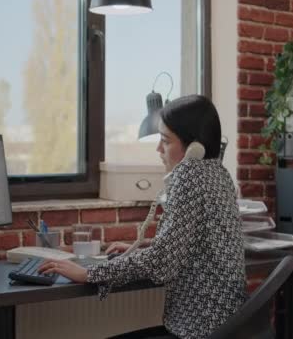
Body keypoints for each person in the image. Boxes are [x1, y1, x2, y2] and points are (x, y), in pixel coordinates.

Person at [38, 94, 246, 339]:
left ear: (194, 149)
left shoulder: (189, 174)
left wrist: (90, 273)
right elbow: (193, 243)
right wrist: (146, 246)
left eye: (166, 141)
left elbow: (162, 263)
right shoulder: (219, 173)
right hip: (228, 326)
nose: (158, 148)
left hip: (197, 331)